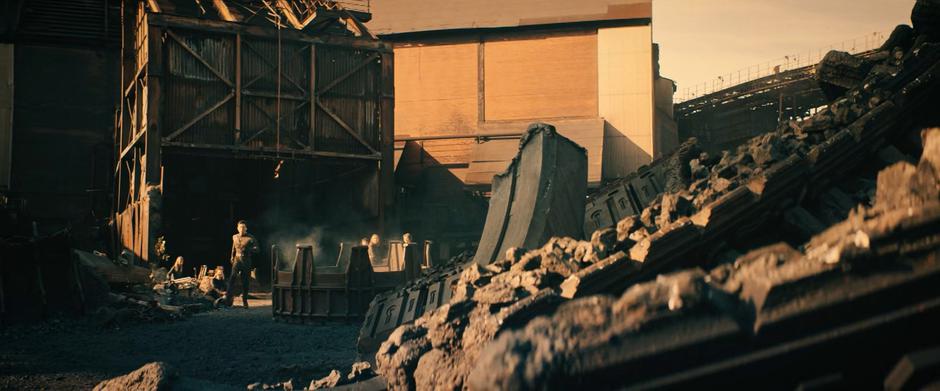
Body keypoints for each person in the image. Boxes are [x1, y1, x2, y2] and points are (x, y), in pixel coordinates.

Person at [226, 220, 259, 307]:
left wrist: (250, 249)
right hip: (237, 260)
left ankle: (245, 301)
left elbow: (257, 249)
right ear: (237, 228)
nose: (242, 229)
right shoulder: (234, 237)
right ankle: (228, 300)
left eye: (243, 227)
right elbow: (233, 247)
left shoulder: (250, 238)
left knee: (245, 281)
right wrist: (232, 257)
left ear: (246, 228)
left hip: (246, 261)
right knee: (231, 280)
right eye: (240, 227)